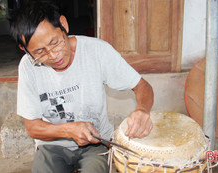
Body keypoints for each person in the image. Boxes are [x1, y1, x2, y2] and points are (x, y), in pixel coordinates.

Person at [9, 1, 154, 173]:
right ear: (24, 49)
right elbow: (32, 127)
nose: (54, 56)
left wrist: (143, 110)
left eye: (55, 43)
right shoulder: (28, 66)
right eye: (39, 52)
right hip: (52, 145)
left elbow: (142, 86)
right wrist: (68, 130)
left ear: (63, 24)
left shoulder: (97, 51)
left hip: (96, 142)